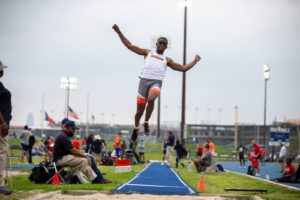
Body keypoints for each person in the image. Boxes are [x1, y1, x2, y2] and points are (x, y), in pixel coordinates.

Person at [113, 24, 201, 142]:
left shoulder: (167, 60)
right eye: (160, 42)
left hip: (156, 83)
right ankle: (136, 127)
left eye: (164, 44)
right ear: (156, 44)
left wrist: (195, 60)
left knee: (151, 98)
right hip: (143, 82)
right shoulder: (147, 53)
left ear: (166, 47)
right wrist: (119, 32)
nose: (162, 45)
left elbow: (183, 68)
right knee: (138, 113)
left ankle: (146, 123)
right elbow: (130, 46)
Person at [53, 119, 100, 184]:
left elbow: (71, 150)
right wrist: (85, 156)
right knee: (83, 160)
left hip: (63, 158)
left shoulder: (63, 135)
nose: (74, 131)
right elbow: (73, 150)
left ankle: (75, 178)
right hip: (60, 159)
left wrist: (81, 153)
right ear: (68, 128)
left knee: (81, 162)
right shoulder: (63, 136)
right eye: (73, 129)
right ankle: (95, 179)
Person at [0, 61, 12, 195]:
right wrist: (3, 123)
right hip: (0, 126)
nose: (2, 71)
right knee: (2, 153)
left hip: (3, 125)